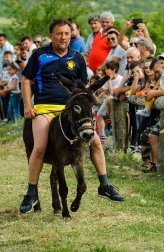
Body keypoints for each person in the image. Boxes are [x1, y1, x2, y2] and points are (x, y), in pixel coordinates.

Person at [19, 18, 124, 214]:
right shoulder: (39, 55)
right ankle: (31, 193)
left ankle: (104, 185)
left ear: (71, 35)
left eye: (67, 33)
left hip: (71, 109)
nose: (63, 37)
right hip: (45, 108)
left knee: (95, 141)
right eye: (59, 33)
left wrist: (91, 99)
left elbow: (83, 87)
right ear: (52, 36)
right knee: (40, 146)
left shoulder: (77, 57)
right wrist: (27, 105)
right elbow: (26, 80)